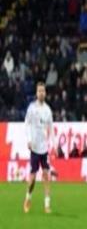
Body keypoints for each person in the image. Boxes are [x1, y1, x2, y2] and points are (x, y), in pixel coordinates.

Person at [23, 82, 54, 214]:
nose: (41, 93)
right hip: (35, 147)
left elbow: (51, 128)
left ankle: (47, 204)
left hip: (44, 148)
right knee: (33, 177)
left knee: (46, 176)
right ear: (36, 93)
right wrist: (29, 140)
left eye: (43, 91)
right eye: (39, 91)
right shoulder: (32, 108)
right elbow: (26, 124)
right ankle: (28, 198)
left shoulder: (48, 110)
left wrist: (53, 144)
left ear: (45, 93)